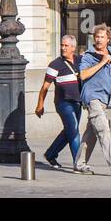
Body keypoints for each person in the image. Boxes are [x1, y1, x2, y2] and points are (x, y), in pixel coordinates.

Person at [75, 24, 111, 177]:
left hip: (104, 98)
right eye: (96, 37)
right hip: (92, 97)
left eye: (102, 37)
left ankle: (79, 164)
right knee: (103, 129)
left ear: (108, 39)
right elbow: (83, 75)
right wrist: (103, 62)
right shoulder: (88, 56)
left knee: (90, 133)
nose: (98, 39)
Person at [35, 34, 85, 171]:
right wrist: (40, 105)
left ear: (73, 48)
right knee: (74, 131)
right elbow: (45, 87)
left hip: (77, 102)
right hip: (63, 103)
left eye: (66, 45)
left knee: (69, 131)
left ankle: (50, 154)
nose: (63, 48)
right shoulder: (55, 65)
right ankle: (78, 163)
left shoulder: (80, 61)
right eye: (62, 45)